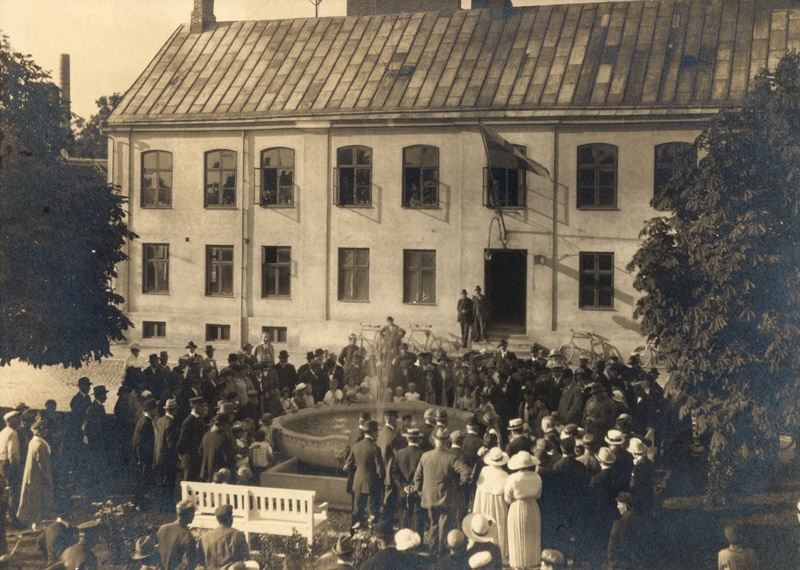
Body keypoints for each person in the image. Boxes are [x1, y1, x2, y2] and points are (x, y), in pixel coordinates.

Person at [413, 427, 472, 556]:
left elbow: (417, 478)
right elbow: (466, 472)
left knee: (433, 524)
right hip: (446, 498)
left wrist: (421, 493)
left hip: (429, 497)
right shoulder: (451, 458)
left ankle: (433, 551)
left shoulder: (425, 456)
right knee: (445, 525)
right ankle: (441, 552)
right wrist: (459, 484)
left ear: (434, 440)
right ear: (447, 442)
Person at [504, 451, 542, 570]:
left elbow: (507, 498)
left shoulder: (512, 478)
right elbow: (538, 495)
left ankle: (518, 565)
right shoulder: (537, 477)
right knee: (532, 538)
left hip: (517, 507)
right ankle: (532, 564)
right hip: (532, 507)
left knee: (517, 539)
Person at [343, 419, 384, 530]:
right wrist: (381, 480)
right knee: (373, 508)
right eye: (376, 432)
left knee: (358, 508)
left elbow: (348, 464)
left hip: (357, 482)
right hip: (371, 483)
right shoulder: (375, 449)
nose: (378, 435)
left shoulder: (356, 446)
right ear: (372, 433)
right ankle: (372, 529)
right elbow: (380, 471)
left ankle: (355, 528)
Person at [472, 448, 510, 563]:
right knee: (498, 525)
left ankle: (482, 550)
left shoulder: (484, 471)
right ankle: (499, 552)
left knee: (483, 524)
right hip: (498, 506)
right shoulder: (505, 475)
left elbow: (479, 490)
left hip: (484, 502)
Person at [16, 419, 55, 527]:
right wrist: (48, 478)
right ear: (41, 431)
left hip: (32, 475)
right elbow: (43, 465)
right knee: (38, 500)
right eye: (45, 429)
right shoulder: (40, 445)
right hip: (38, 477)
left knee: (32, 499)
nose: (47, 431)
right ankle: (37, 524)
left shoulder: (33, 441)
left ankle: (34, 522)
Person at [199, 504, 249, 570]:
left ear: (217, 519)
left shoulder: (205, 537)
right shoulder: (238, 535)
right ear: (230, 518)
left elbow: (200, 561)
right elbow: (245, 557)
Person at [156, 499, 200, 570]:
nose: (194, 516)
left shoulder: (163, 528)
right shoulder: (187, 536)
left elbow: (156, 552)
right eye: (193, 513)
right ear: (189, 515)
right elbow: (189, 564)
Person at [154, 398, 180, 513]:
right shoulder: (171, 423)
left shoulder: (160, 420)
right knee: (170, 482)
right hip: (168, 457)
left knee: (165, 482)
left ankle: (163, 505)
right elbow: (170, 443)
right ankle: (167, 506)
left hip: (160, 455)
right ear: (174, 410)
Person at [607, 491, 644, 570]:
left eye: (619, 504)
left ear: (625, 505)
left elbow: (611, 549)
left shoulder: (619, 524)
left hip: (619, 565)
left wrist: (611, 564)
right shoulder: (640, 522)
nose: (617, 507)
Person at [177, 396, 207, 482]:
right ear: (195, 406)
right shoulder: (189, 421)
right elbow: (182, 444)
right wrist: (188, 460)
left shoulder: (199, 420)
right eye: (201, 405)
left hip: (198, 461)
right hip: (191, 463)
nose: (204, 408)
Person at [0, 410, 22, 522]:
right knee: (13, 491)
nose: (19, 420)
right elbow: (13, 453)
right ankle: (13, 519)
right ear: (10, 421)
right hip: (9, 464)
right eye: (17, 418)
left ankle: (4, 517)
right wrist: (16, 467)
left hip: (2, 463)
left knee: (5, 490)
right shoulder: (13, 433)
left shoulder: (3, 432)